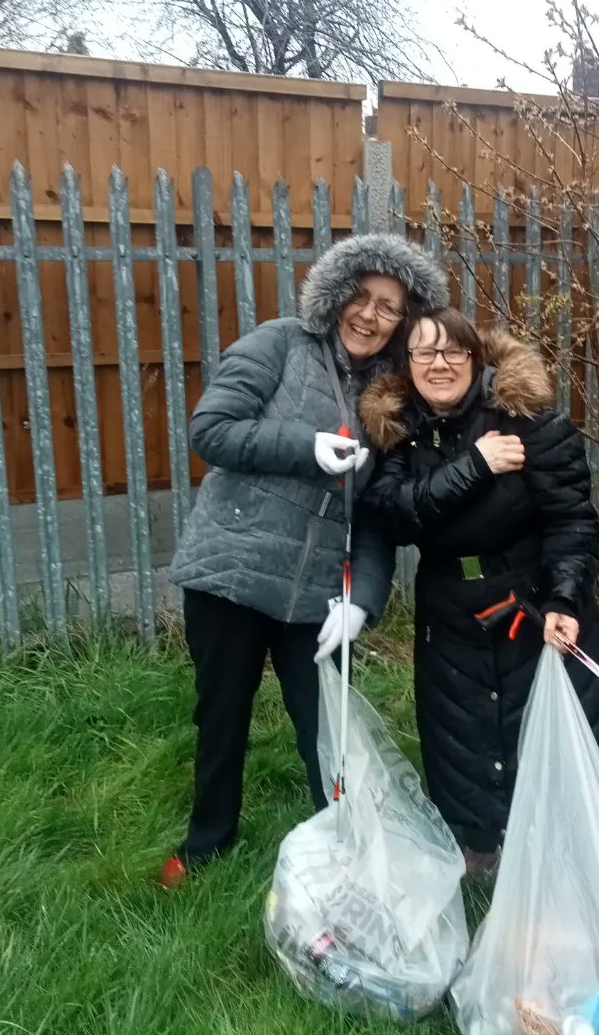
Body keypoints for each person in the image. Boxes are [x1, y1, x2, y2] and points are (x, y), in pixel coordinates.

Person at [158, 234, 449, 887]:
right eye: (362, 297)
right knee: (221, 716)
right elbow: (211, 429)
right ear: (337, 294)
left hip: (318, 590)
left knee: (327, 728)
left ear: (404, 321)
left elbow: (377, 516)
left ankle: (344, 853)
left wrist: (362, 600)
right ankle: (207, 844)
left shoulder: (393, 395)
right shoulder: (280, 343)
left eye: (389, 308)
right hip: (232, 571)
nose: (370, 315)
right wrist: (305, 445)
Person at [358, 307, 599, 877]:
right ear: (408, 363)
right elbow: (393, 515)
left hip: (529, 601)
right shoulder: (400, 432)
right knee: (463, 731)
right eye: (424, 352)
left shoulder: (526, 419)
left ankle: (573, 852)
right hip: (450, 612)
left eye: (453, 351)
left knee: (550, 728)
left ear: (475, 356)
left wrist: (564, 599)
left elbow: (572, 521)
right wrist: (476, 465)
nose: (439, 364)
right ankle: (482, 844)